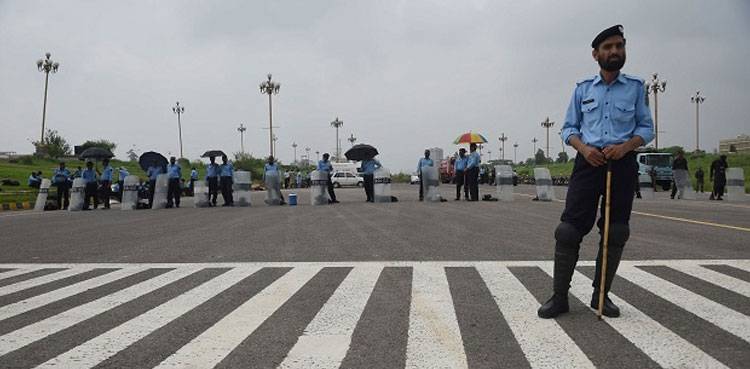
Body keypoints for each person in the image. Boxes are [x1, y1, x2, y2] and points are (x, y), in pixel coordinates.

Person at [538, 25, 654, 319]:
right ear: (596, 54)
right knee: (568, 230)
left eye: (619, 46)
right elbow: (568, 128)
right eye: (608, 47)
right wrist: (584, 148)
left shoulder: (637, 87)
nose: (614, 51)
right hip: (588, 163)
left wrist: (626, 146)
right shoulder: (583, 89)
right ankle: (559, 297)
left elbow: (646, 128)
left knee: (615, 231)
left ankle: (601, 296)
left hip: (622, 164)